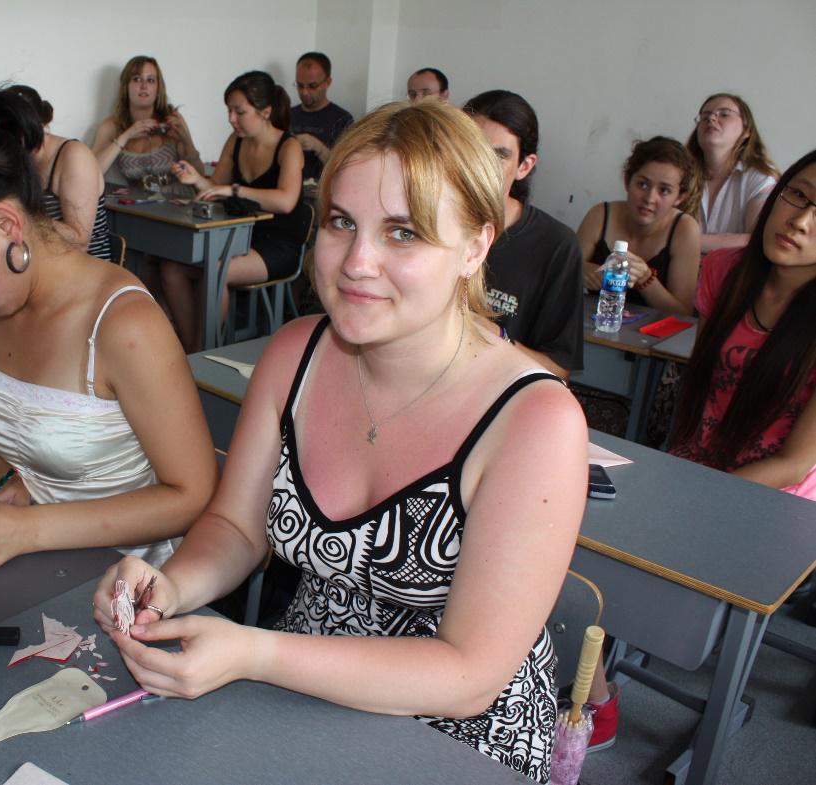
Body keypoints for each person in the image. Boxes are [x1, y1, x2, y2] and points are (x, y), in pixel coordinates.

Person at [94, 101, 587, 783]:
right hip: (298, 689)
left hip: (455, 738)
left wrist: (254, 652)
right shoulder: (293, 354)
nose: (357, 262)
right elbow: (237, 526)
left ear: (475, 246)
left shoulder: (535, 420)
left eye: (403, 232)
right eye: (340, 222)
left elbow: (468, 674)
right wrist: (170, 586)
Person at [0, 118, 217, 571]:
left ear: (5, 224)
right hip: (31, 565)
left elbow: (191, 495)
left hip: (126, 579)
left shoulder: (124, 325)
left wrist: (28, 530)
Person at [670, 149, 816, 500]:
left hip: (777, 500)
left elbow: (795, 463)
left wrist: (705, 495)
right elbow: (700, 384)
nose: (800, 221)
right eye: (798, 194)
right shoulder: (724, 272)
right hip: (697, 468)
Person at [165, 71, 310, 352]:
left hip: (279, 245)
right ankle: (192, 349)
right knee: (172, 269)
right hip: (240, 238)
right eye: (229, 111)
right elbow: (217, 189)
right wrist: (196, 179)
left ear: (265, 112)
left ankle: (200, 354)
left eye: (239, 112)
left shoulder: (289, 146)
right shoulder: (236, 140)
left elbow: (285, 201)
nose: (232, 119)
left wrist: (234, 190)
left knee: (217, 272)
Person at [464, 90, 583, 378]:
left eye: (499, 156)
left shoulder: (556, 245)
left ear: (524, 166)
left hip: (496, 389)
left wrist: (494, 336)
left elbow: (558, 370)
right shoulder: (429, 225)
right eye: (473, 151)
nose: (482, 167)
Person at [0, 85, 110, 261]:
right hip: (37, 260)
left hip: (82, 266)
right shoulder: (16, 156)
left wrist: (18, 214)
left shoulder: (74, 156)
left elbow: (80, 240)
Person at [578, 136, 702, 315]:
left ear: (680, 197)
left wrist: (646, 279)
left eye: (664, 190)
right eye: (642, 184)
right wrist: (582, 271)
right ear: (627, 181)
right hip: (597, 325)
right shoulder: (600, 215)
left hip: (653, 332)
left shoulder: (685, 229)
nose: (649, 198)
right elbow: (563, 273)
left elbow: (683, 313)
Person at [685, 93, 778, 253]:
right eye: (705, 116)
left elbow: (757, 239)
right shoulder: (681, 173)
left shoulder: (760, 176)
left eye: (724, 114)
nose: (711, 119)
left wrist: (685, 241)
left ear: (746, 130)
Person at [91, 56, 203, 185]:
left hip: (177, 196)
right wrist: (127, 135)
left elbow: (199, 175)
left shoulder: (172, 120)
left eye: (150, 80)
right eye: (137, 79)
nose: (144, 86)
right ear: (126, 87)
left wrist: (187, 141)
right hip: (135, 197)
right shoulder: (112, 126)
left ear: (158, 88)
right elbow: (92, 173)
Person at [289, 52, 354, 181]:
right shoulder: (287, 114)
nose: (304, 92)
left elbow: (346, 169)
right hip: (289, 187)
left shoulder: (342, 119)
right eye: (300, 85)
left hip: (323, 189)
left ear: (327, 82)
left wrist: (318, 147)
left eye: (312, 86)